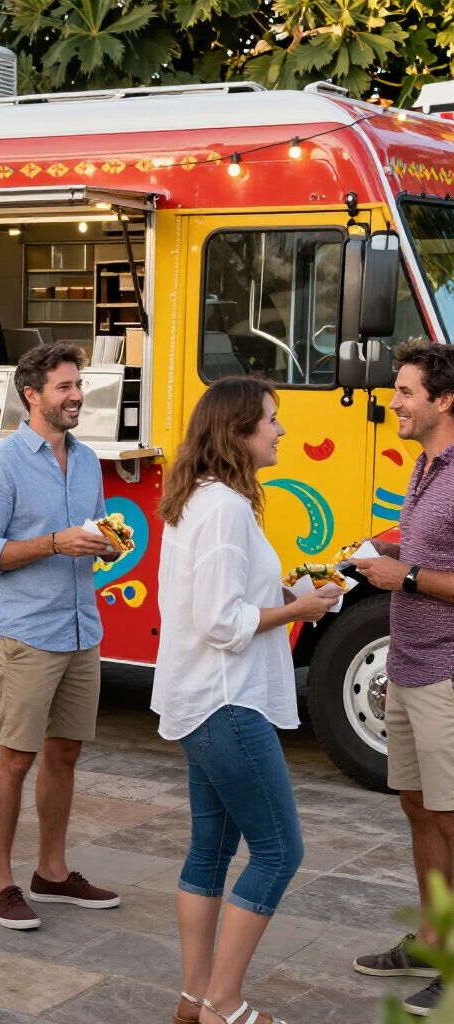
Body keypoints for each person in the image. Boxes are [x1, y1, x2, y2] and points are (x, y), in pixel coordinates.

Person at [151, 377, 341, 1024]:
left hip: (199, 702)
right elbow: (222, 621)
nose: (281, 430)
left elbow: (212, 599)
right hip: (226, 703)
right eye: (270, 419)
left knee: (210, 850)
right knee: (280, 851)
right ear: (237, 432)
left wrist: (291, 590)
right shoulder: (227, 507)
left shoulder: (198, 499)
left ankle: (193, 997)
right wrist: (298, 608)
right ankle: (224, 1004)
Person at [0, 342, 120, 930]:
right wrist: (56, 542)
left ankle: (51, 873)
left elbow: (93, 531)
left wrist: (104, 542)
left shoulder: (86, 461)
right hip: (26, 633)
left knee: (67, 751)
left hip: (81, 628)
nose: (77, 394)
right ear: (33, 395)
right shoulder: (0, 465)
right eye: (64, 387)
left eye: (77, 384)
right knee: (15, 757)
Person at [349, 342, 454, 1018]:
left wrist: (407, 576)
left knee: (449, 816)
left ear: (444, 400)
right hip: (410, 666)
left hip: (448, 671)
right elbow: (432, 541)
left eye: (407, 392)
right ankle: (430, 937)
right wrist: (386, 547)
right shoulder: (426, 465)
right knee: (418, 809)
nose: (395, 402)